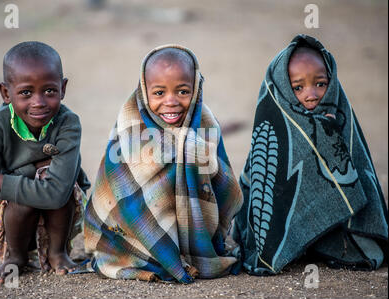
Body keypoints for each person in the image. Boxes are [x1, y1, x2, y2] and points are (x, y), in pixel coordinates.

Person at [83, 44, 243, 283]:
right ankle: (156, 255)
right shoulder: (131, 124)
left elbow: (220, 180)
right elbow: (121, 190)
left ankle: (191, 249)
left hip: (190, 221)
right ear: (143, 91)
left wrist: (190, 147)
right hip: (135, 230)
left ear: (196, 88)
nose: (171, 102)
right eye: (159, 93)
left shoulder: (205, 123)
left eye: (182, 92)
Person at [231, 34, 388, 275]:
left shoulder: (340, 118)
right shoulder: (274, 127)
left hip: (333, 235)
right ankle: (292, 245)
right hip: (282, 227)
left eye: (321, 84)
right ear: (283, 86)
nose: (311, 94)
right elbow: (262, 189)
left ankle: (332, 244)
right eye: (298, 87)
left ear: (332, 83)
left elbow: (359, 173)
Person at [0, 41, 91, 284]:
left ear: (63, 88)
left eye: (49, 91)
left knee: (56, 187)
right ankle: (16, 257)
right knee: (29, 190)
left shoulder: (68, 124)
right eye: (26, 93)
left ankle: (58, 253)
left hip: (63, 209)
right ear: (5, 93)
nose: (39, 102)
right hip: (17, 212)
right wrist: (33, 168)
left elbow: (56, 195)